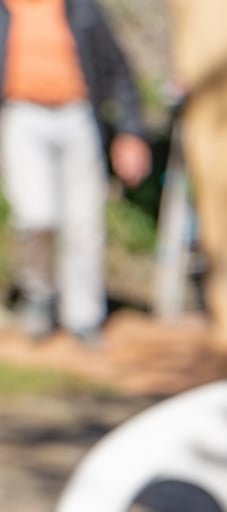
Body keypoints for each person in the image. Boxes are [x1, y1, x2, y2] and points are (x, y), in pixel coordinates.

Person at [0, 0, 149, 343]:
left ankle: (83, 316)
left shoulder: (81, 8)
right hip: (22, 117)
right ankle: (39, 294)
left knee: (85, 222)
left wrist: (130, 132)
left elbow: (118, 69)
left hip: (78, 115)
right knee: (35, 215)